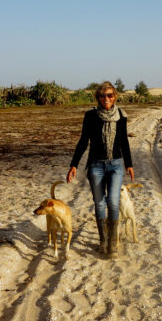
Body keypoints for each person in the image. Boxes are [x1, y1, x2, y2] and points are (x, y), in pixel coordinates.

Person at [67, 81, 134, 259]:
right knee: (99, 203)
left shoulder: (121, 115)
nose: (106, 99)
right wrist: (73, 164)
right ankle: (103, 240)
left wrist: (129, 164)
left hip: (116, 165)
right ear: (97, 97)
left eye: (110, 95)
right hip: (96, 166)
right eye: (103, 96)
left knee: (113, 201)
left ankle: (113, 242)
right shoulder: (90, 116)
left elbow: (124, 142)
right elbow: (83, 141)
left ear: (115, 97)